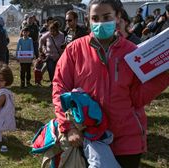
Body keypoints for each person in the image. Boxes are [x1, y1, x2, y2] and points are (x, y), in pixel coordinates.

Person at [52, 0, 169, 167]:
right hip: (88, 139)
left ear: (118, 17)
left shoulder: (132, 53)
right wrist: (69, 126)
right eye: (95, 18)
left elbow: (137, 98)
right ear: (88, 20)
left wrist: (164, 77)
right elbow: (59, 89)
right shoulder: (74, 50)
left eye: (106, 17)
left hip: (127, 140)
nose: (100, 23)